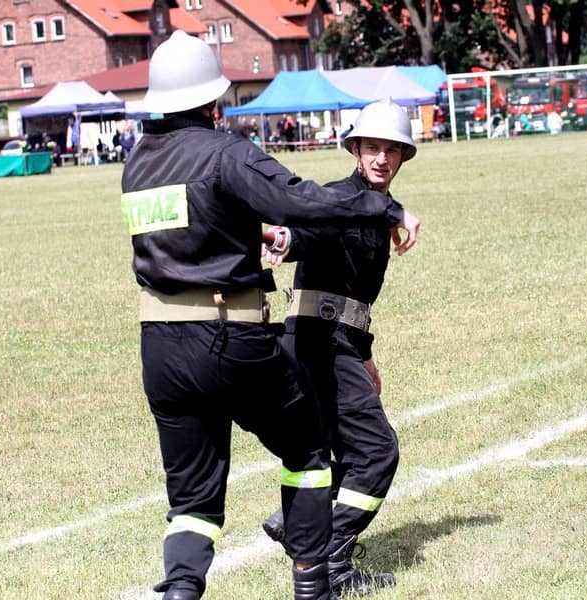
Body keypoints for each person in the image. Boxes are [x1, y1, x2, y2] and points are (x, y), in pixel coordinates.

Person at [120, 31, 419, 600]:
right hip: (228, 337)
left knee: (192, 503)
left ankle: (180, 589)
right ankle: (317, 585)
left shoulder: (136, 165)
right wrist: (382, 207)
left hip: (159, 347)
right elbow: (296, 202)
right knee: (309, 451)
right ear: (213, 99)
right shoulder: (224, 152)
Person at [259, 99, 417, 597]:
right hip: (317, 345)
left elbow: (355, 296)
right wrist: (285, 241)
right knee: (377, 451)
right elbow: (308, 229)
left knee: (341, 453)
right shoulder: (338, 200)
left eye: (393, 150)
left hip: (339, 342)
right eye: (373, 148)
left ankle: (300, 527)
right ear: (355, 149)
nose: (382, 159)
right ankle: (330, 552)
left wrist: (364, 354)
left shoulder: (379, 211)